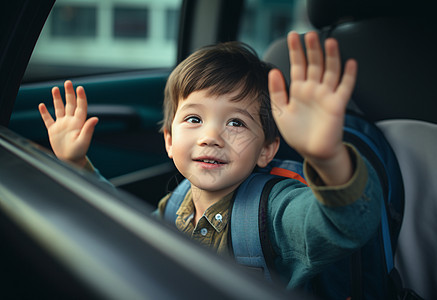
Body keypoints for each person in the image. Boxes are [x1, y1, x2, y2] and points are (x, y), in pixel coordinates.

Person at [38, 32, 382, 292]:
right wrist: (77, 163)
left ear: (267, 149)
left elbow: (345, 225)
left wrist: (327, 158)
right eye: (193, 119)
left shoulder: (276, 212)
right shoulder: (176, 203)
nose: (210, 137)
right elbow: (128, 231)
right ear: (169, 141)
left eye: (236, 123)